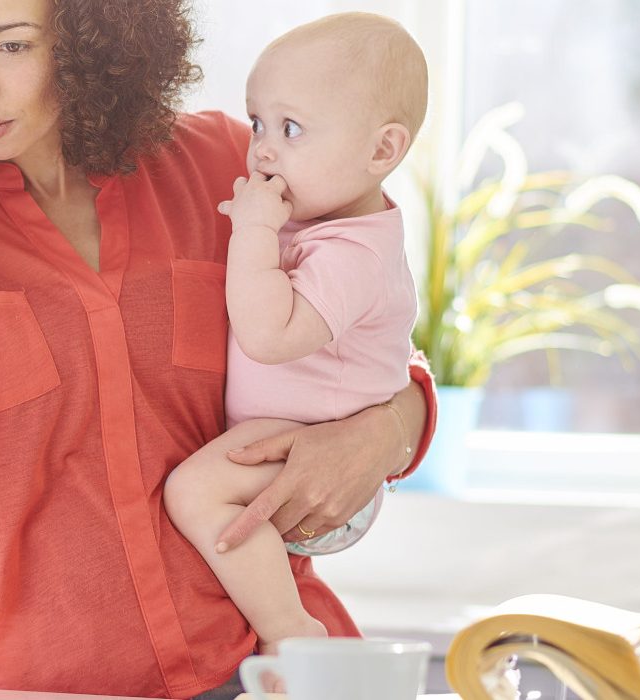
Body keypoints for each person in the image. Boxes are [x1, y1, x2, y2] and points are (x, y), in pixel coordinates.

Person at [0, 1, 438, 697]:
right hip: (55, 683)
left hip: (274, 667)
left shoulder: (225, 168)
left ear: (87, 38)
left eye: (12, 46)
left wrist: (385, 433)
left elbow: (366, 328)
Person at [163, 12, 428, 659]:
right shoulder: (324, 222)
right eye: (257, 123)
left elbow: (268, 334)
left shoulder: (353, 253)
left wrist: (252, 233)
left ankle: (289, 629)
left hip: (311, 448)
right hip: (293, 439)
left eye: (291, 128)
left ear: (381, 151)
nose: (262, 151)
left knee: (194, 490)